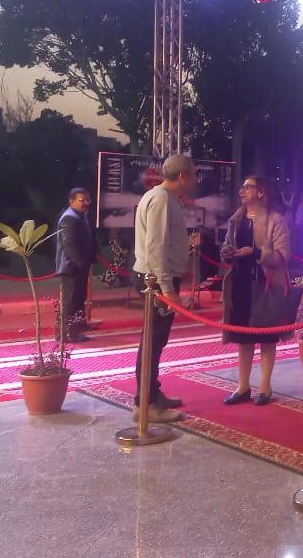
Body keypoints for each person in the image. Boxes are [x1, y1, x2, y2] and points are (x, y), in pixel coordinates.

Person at [131, 154, 197, 423]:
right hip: (155, 280)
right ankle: (146, 404)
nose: (196, 180)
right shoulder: (161, 199)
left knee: (155, 341)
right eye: (194, 174)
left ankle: (152, 394)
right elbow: (155, 247)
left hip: (158, 277)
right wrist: (167, 288)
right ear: (183, 176)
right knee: (152, 342)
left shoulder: (165, 198)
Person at [220, 177, 291, 406]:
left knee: (266, 336)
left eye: (247, 187)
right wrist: (227, 252)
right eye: (241, 187)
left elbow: (283, 255)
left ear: (261, 192)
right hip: (240, 282)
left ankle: (264, 387)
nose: (241, 190)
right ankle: (242, 387)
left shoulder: (275, 220)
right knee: (244, 337)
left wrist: (255, 252)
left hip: (264, 284)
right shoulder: (236, 219)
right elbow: (227, 245)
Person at [54, 187, 96, 342]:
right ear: (71, 201)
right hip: (71, 267)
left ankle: (73, 331)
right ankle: (65, 334)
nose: (86, 203)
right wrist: (81, 263)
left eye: (88, 200)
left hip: (78, 267)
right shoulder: (69, 218)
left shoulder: (81, 215)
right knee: (70, 302)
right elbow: (70, 245)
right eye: (82, 200)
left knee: (77, 300)